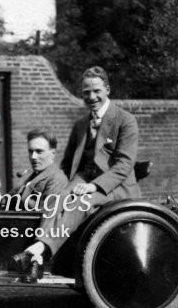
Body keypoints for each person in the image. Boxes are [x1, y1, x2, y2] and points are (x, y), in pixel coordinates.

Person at [14, 66, 141, 281]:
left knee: (80, 203)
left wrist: (93, 186)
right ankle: (38, 256)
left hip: (116, 186)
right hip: (83, 177)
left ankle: (38, 251)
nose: (91, 97)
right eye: (86, 92)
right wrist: (57, 185)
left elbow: (124, 165)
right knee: (57, 199)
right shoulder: (80, 124)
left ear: (107, 90)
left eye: (96, 91)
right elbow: (66, 164)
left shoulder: (125, 120)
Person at [0, 129, 68, 281]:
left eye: (39, 151)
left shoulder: (57, 179)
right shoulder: (31, 174)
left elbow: (49, 211)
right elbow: (12, 196)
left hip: (28, 235)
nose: (33, 157)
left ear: (53, 153)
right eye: (30, 151)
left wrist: (22, 197)